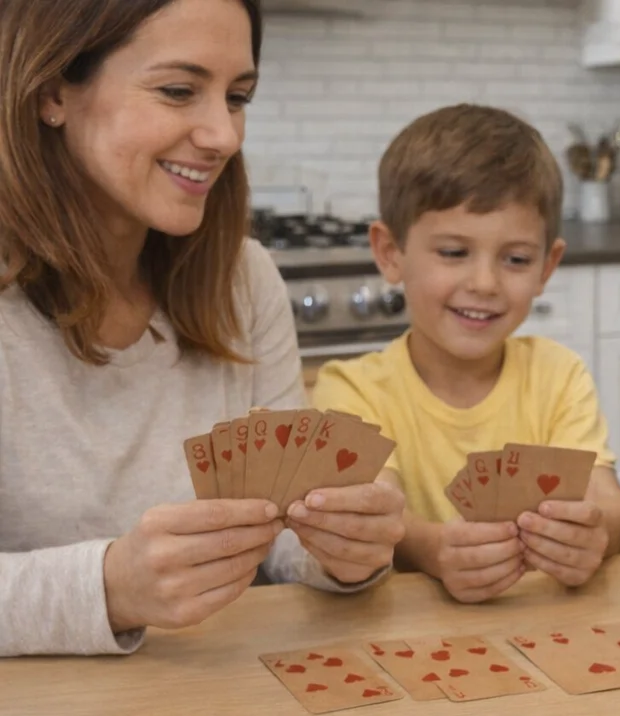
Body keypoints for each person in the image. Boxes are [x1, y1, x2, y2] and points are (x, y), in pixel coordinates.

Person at [0, 0, 405, 658]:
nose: (224, 134)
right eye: (179, 91)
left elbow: (281, 534)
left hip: (218, 697)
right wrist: (109, 588)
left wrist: (345, 550)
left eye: (237, 96)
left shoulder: (245, 280)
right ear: (52, 93)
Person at [314, 104, 620, 604]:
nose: (484, 284)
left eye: (515, 259)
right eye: (453, 253)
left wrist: (595, 537)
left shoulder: (559, 375)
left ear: (547, 267)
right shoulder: (351, 389)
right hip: (402, 640)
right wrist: (433, 550)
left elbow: (611, 508)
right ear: (390, 253)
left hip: (541, 632)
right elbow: (376, 513)